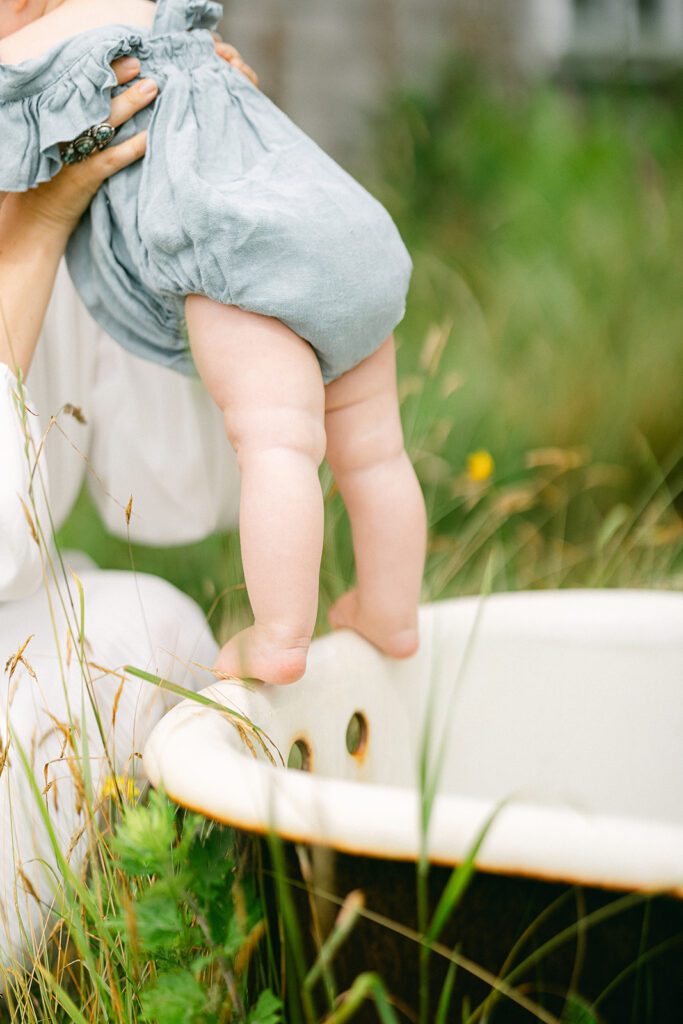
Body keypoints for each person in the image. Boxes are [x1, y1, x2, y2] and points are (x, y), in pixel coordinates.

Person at [0, 0, 428, 685]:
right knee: (376, 455)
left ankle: (280, 638)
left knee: (279, 446)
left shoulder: (50, 49)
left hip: (244, 251)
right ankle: (391, 610)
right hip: (346, 227)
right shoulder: (167, 15)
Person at [0, 44, 254, 988]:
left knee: (152, 629)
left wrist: (191, 193)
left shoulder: (37, 144)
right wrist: (27, 240)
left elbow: (168, 491)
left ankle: (97, 965)